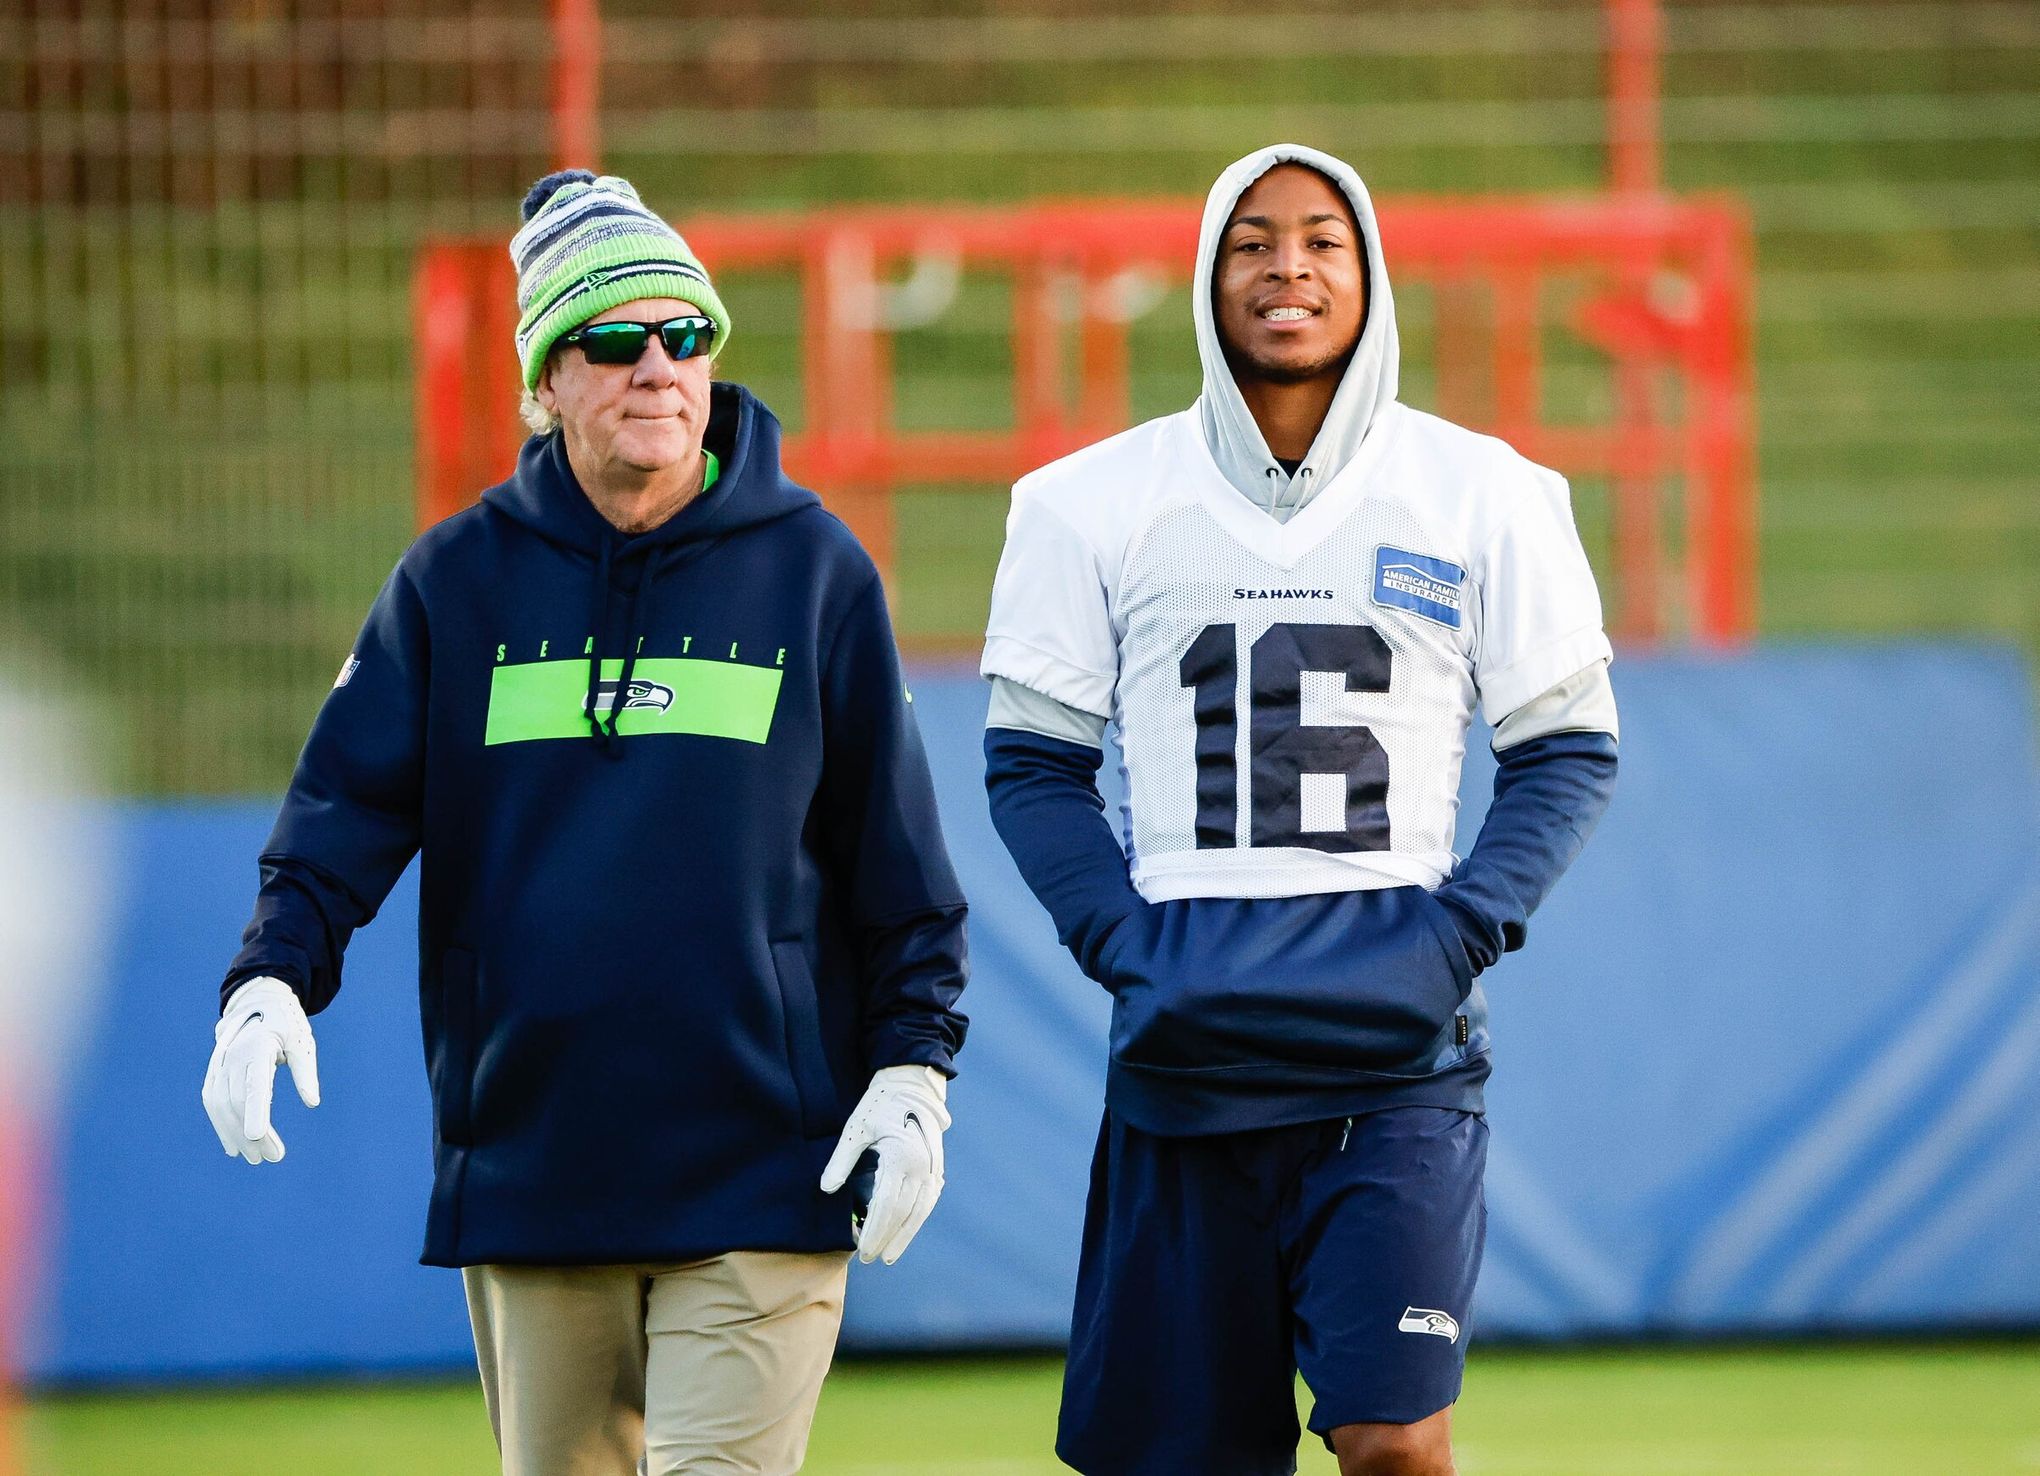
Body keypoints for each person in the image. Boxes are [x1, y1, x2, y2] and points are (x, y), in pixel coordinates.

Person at [200, 170, 969, 1476]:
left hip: (763, 1177)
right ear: (546, 381)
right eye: (615, 340)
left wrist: (915, 1075)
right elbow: (338, 820)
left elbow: (901, 876)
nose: (659, 364)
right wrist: (268, 977)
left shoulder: (817, 573)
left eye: (686, 333)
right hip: (536, 1170)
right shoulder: (454, 583)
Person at [981, 144, 1618, 1476]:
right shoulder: (1088, 503)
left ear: (1371, 272)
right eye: (1253, 241)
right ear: (1208, 278)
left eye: (1324, 241)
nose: (1289, 268)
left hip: (1396, 1054)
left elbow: (1565, 746)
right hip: (1190, 1050)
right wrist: (1124, 942)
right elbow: (1033, 763)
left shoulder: (1485, 493)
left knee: (1394, 1439)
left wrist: (1458, 933)